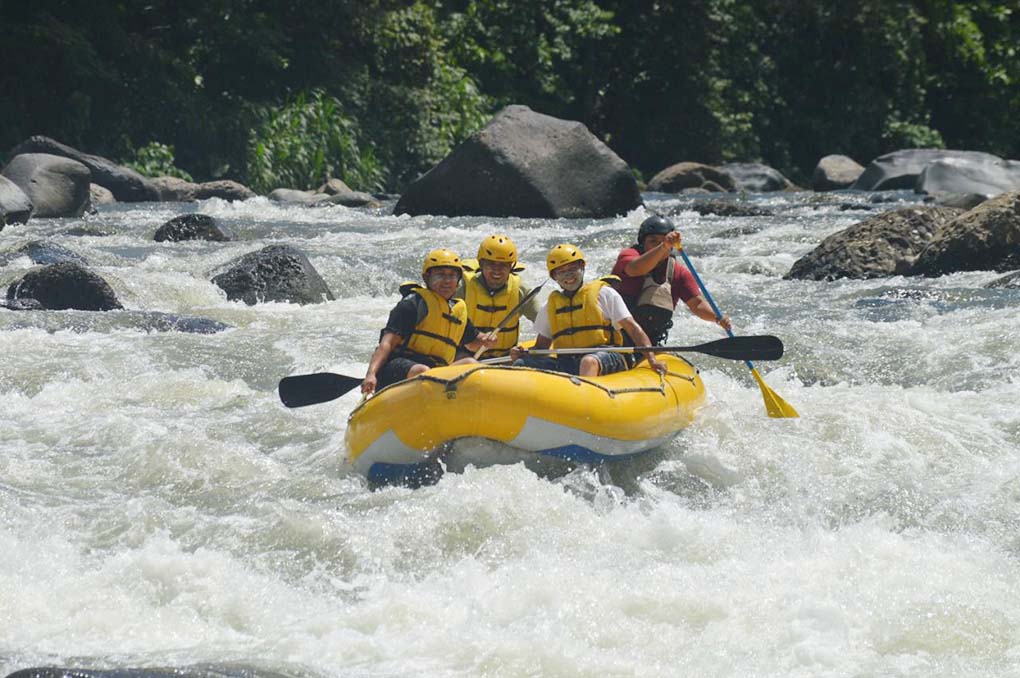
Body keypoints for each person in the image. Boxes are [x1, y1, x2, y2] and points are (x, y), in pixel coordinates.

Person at [511, 243, 664, 377]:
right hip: (568, 362)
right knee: (521, 364)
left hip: (607, 357)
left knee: (588, 361)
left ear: (582, 267)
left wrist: (652, 359)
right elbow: (541, 347)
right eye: (562, 272)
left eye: (573, 269)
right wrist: (524, 353)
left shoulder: (604, 293)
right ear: (554, 277)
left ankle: (584, 404)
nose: (569, 276)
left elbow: (633, 328)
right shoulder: (550, 306)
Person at [362, 248, 497, 395]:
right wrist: (371, 374)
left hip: (436, 372)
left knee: (471, 364)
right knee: (422, 370)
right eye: (440, 275)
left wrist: (486, 339)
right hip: (399, 368)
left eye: (452, 276)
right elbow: (387, 343)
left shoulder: (457, 311)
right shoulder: (413, 304)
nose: (447, 281)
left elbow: (473, 343)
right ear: (426, 277)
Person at [611, 214, 732, 345]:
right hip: (615, 334)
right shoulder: (628, 256)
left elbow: (697, 304)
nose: (659, 245)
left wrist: (717, 318)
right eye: (653, 241)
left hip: (650, 340)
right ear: (642, 243)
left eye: (664, 241)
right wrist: (663, 246)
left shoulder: (678, 272)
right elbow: (636, 269)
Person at [456, 234, 539, 359]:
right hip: (466, 355)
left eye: (503, 265)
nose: (497, 270)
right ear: (481, 264)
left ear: (510, 267)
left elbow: (546, 324)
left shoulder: (521, 292)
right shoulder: (463, 288)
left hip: (506, 357)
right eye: (491, 264)